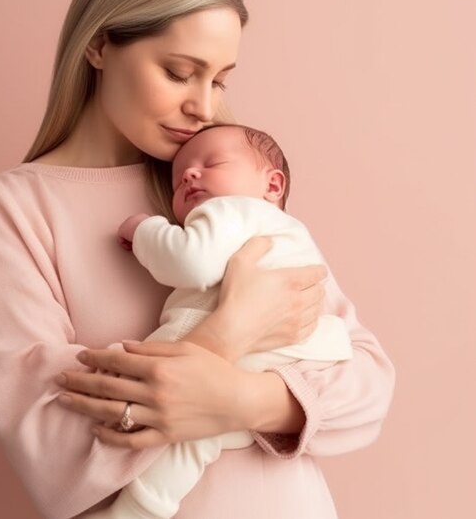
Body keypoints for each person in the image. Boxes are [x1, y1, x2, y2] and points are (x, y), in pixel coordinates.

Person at [0, 0, 395, 519]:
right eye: (180, 72)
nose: (204, 107)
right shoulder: (9, 211)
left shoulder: (221, 183)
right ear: (100, 45)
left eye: (219, 79)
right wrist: (230, 331)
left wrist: (243, 399)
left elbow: (367, 381)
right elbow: (53, 450)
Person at [88, 123, 353, 519]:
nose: (190, 175)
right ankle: (141, 507)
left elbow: (190, 262)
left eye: (212, 163)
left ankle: (136, 507)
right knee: (200, 436)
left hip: (255, 340)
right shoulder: (292, 234)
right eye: (179, 180)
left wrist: (144, 229)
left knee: (144, 373)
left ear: (273, 185)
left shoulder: (236, 209)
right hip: (298, 352)